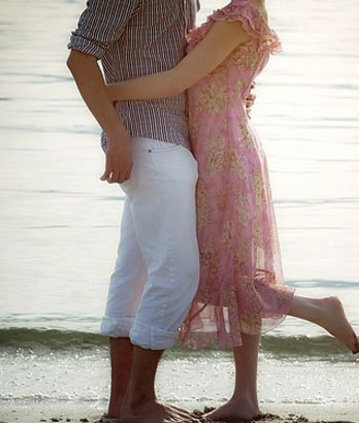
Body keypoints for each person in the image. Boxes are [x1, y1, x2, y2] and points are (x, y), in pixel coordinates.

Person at [106, 0, 359, 421]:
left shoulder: (239, 18)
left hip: (221, 152)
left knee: (219, 271)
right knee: (231, 268)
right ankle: (245, 398)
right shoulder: (236, 15)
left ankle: (316, 309)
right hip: (211, 144)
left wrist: (106, 92)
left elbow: (177, 80)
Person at [66, 1, 204, 422]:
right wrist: (116, 134)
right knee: (177, 275)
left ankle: (122, 405)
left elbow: (173, 66)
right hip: (149, 144)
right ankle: (141, 402)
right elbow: (80, 58)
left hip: (165, 142)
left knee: (135, 275)